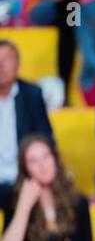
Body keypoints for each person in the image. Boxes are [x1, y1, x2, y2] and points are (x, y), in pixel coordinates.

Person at [1, 134, 95, 241]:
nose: (42, 165)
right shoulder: (14, 200)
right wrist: (24, 205)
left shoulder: (78, 202)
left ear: (54, 159)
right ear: (25, 168)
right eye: (33, 161)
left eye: (46, 156)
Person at [0, 39, 53, 212]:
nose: (1, 66)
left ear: (18, 63)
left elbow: (45, 138)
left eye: (7, 59)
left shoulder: (32, 94)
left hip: (25, 175)